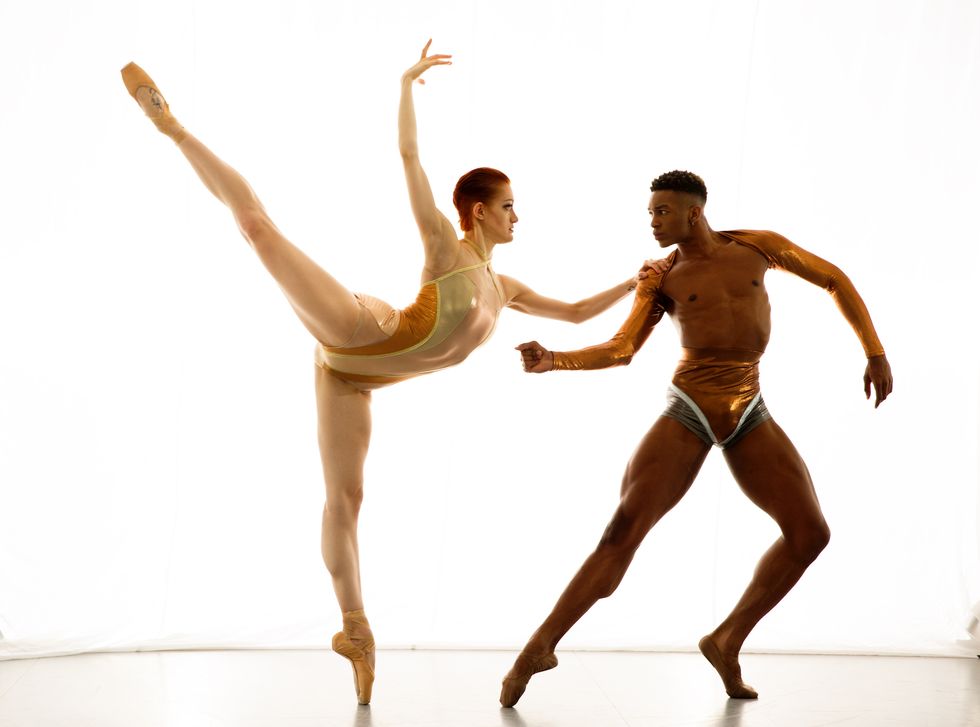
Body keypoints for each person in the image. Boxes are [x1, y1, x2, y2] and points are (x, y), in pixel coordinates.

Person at [121, 41, 658, 706]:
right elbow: (409, 157)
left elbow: (577, 313)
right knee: (259, 229)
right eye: (510, 205)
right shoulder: (445, 244)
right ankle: (172, 125)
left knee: (346, 501)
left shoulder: (506, 286)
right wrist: (406, 83)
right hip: (358, 330)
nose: (519, 215)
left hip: (353, 379)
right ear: (480, 210)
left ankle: (354, 628)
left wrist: (636, 283)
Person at [501, 170, 893, 706]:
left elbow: (834, 280)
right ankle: (537, 647)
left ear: (694, 212)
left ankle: (726, 640)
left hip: (749, 405)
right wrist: (555, 361)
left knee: (809, 534)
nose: (653, 222)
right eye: (650, 213)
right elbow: (621, 349)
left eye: (661, 212)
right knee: (622, 531)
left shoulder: (760, 247)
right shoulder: (660, 276)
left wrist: (873, 350)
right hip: (690, 407)